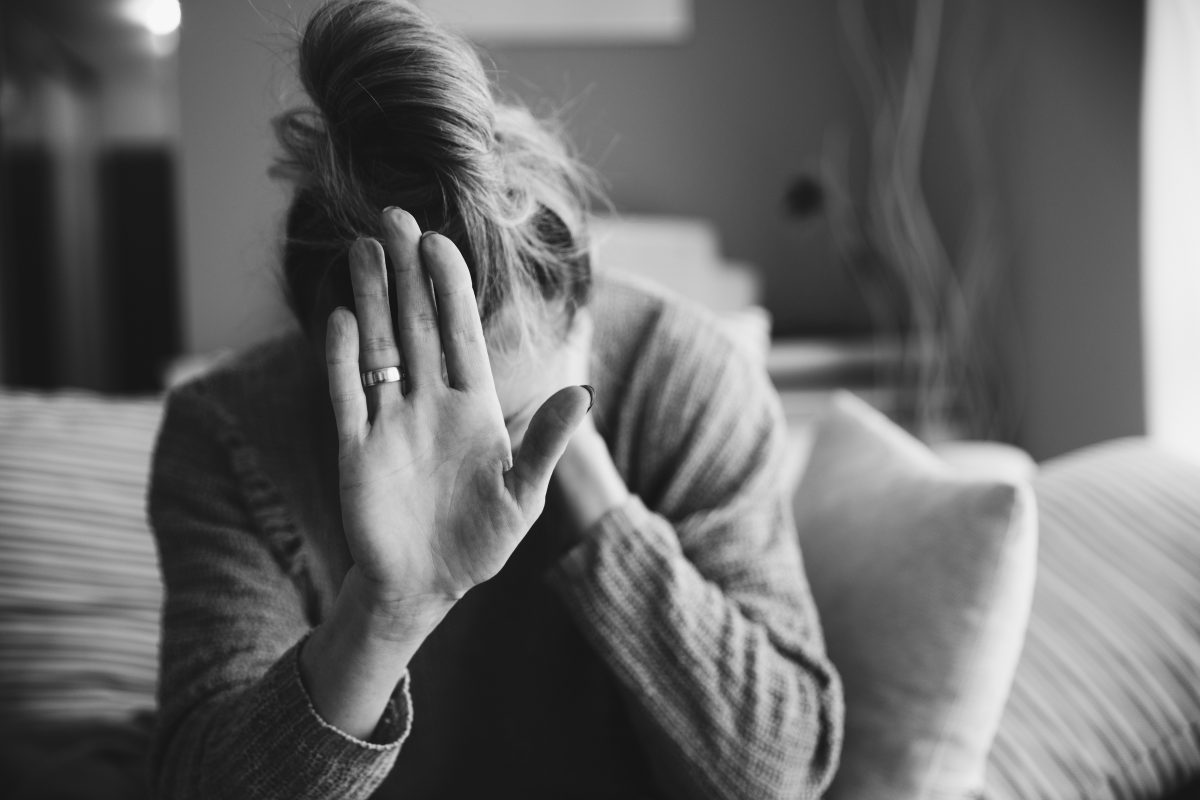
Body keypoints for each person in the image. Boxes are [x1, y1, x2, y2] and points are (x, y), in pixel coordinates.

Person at [147, 1, 843, 797]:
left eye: (508, 424)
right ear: (330, 357)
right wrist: (388, 610)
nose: (488, 476)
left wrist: (578, 467)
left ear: (582, 310)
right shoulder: (228, 434)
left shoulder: (686, 377)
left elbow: (780, 777)